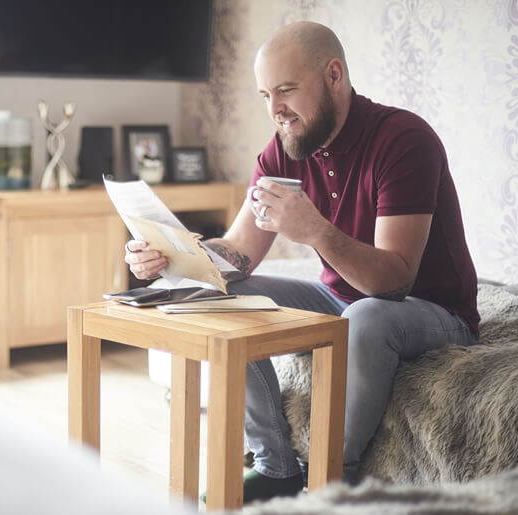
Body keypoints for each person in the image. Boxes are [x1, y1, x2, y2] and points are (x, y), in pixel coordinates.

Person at [124, 21, 479, 504]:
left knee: (368, 316)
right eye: (266, 95)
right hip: (341, 297)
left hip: (433, 310)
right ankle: (276, 465)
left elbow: (394, 282)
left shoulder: (404, 140)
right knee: (217, 295)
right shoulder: (285, 149)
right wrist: (177, 259)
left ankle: (333, 478)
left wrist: (314, 230)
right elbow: (239, 255)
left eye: (287, 90)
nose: (275, 110)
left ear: (334, 75)